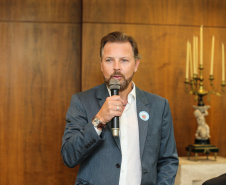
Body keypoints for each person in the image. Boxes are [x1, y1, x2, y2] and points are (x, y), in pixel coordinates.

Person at [61, 31, 178, 185]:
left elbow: (168, 160)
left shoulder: (159, 105)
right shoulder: (82, 101)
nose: (116, 67)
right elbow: (69, 156)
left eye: (124, 60)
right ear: (101, 65)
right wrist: (99, 120)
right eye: (109, 60)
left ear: (136, 65)